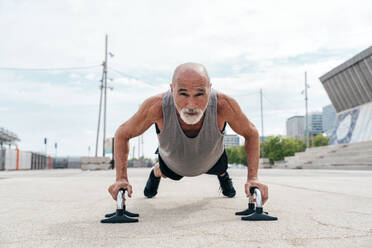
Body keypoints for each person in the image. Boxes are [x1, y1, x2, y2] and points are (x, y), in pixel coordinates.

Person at [108, 62, 268, 204]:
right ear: (172, 90)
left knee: (221, 168)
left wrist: (253, 178)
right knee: (164, 171)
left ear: (209, 89)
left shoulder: (223, 105)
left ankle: (222, 175)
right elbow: (123, 134)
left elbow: (251, 133)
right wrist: (121, 179)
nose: (191, 104)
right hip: (173, 163)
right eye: (183, 94)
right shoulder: (156, 107)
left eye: (200, 94)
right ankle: (156, 172)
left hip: (212, 160)